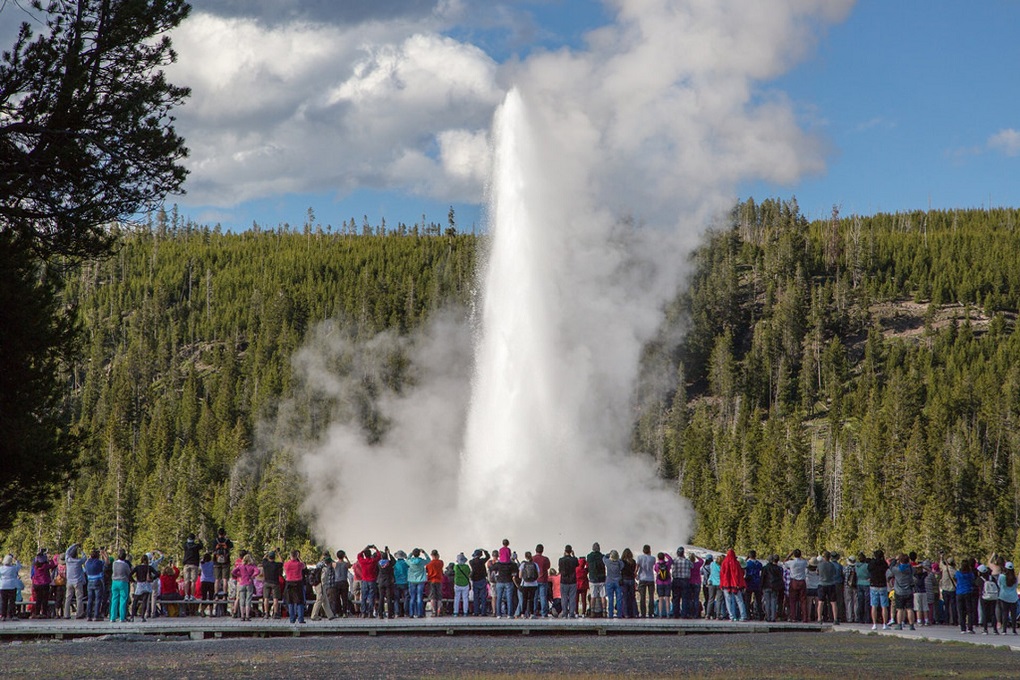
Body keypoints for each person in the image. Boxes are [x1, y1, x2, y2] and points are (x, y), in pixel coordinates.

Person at [719, 549, 748, 622]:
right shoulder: (736, 563)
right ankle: (743, 616)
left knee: (728, 601)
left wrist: (722, 584)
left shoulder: (724, 562)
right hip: (736, 585)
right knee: (740, 601)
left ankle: (732, 616)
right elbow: (739, 575)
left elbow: (722, 574)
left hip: (726, 585)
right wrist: (741, 584)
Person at [130, 554, 159, 622]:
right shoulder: (149, 567)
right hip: (147, 584)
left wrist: (134, 581)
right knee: (145, 601)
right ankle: (142, 617)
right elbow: (157, 574)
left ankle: (132, 617)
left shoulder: (138, 567)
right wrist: (152, 578)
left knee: (135, 601)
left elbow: (130, 574)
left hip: (139, 584)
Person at [30, 548, 57, 618]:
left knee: (38, 599)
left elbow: (35, 561)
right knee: (45, 599)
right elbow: (53, 565)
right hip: (45, 583)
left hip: (36, 584)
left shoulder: (35, 566)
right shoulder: (45, 566)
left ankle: (37, 612)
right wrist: (50, 559)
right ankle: (44, 613)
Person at [231, 554, 258, 621]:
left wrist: (239, 575)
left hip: (241, 583)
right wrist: (252, 576)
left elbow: (233, 571)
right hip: (249, 583)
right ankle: (247, 616)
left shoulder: (240, 566)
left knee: (242, 600)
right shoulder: (252, 566)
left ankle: (242, 616)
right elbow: (258, 571)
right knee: (248, 600)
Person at [892, 553, 915, 631]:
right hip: (908, 591)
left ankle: (899, 624)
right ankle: (911, 625)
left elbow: (891, 567)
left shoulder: (896, 570)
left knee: (900, 609)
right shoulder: (910, 569)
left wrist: (895, 560)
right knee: (909, 609)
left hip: (899, 591)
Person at [357, 545, 382, 618]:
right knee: (371, 597)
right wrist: (376, 548)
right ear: (370, 554)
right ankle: (370, 613)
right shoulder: (373, 561)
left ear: (364, 555)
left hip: (364, 580)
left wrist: (365, 548)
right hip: (372, 580)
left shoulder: (362, 561)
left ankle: (363, 613)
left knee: (364, 597)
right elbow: (379, 556)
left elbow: (359, 555)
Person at [784, 549, 808, 623]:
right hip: (802, 581)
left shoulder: (791, 562)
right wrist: (802, 557)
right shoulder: (803, 562)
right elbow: (808, 562)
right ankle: (804, 618)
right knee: (803, 601)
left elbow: (784, 562)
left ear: (793, 555)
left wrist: (789, 555)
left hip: (794, 581)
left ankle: (793, 617)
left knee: (792, 601)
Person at [816, 551, 840, 624]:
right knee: (833, 602)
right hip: (831, 584)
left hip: (822, 584)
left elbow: (817, 573)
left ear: (823, 557)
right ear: (830, 557)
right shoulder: (832, 565)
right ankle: (835, 619)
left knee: (821, 602)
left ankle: (819, 618)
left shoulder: (819, 565)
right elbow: (834, 574)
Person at [64, 545, 87, 620]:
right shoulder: (79, 561)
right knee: (79, 598)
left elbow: (67, 551)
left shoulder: (67, 560)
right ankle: (79, 614)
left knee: (68, 598)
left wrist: (73, 545)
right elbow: (85, 558)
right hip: (77, 581)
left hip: (69, 581)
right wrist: (81, 550)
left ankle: (66, 614)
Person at [283, 550, 306, 624]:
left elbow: (284, 568)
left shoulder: (286, 564)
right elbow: (304, 566)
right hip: (298, 583)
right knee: (300, 602)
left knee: (291, 601)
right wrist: (299, 558)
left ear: (290, 556)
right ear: (296, 556)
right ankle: (300, 619)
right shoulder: (299, 564)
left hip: (289, 583)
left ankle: (292, 619)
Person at [108, 549, 131, 622]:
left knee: (114, 599)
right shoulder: (125, 565)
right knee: (123, 600)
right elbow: (128, 573)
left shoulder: (114, 563)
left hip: (114, 582)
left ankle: (112, 617)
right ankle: (122, 617)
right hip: (123, 582)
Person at [84, 549, 106, 621]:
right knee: (98, 599)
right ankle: (96, 615)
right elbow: (107, 562)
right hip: (97, 580)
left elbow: (85, 565)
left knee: (90, 599)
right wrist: (104, 554)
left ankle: (88, 615)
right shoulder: (99, 562)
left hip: (89, 581)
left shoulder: (87, 563)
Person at [955, 557, 976, 633]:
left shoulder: (958, 573)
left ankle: (962, 628)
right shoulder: (970, 574)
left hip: (959, 592)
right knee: (969, 611)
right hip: (968, 592)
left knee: (960, 611)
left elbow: (955, 579)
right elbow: (973, 580)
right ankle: (970, 627)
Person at [492, 553, 516, 618]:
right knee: (509, 598)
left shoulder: (498, 564)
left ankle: (498, 614)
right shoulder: (511, 564)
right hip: (508, 581)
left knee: (499, 598)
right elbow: (516, 569)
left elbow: (492, 567)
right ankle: (510, 614)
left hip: (500, 582)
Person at [406, 548, 428, 618]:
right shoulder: (422, 561)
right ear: (419, 554)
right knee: (419, 597)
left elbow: (407, 559)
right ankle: (419, 614)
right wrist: (424, 553)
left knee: (412, 597)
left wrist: (411, 553)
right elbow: (429, 560)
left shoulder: (410, 561)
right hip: (421, 580)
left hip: (412, 580)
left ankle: (411, 614)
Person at [635, 545, 656, 618]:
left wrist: (635, 575)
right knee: (651, 597)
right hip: (650, 578)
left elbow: (637, 568)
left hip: (642, 578)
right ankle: (651, 613)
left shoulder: (639, 557)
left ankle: (643, 613)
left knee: (642, 597)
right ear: (650, 550)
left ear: (643, 550)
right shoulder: (653, 558)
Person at [558, 545, 579, 619]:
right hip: (572, 581)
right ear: (571, 551)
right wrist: (574, 555)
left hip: (563, 581)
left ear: (565, 551)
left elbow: (560, 569)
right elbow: (577, 564)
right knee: (572, 598)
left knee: (564, 598)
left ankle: (564, 613)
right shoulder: (574, 559)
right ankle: (571, 613)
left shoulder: (561, 560)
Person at [997, 561, 1018, 635]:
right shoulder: (1015, 578)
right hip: (1013, 597)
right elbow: (1015, 586)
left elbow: (999, 584)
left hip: (1003, 596)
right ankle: (1014, 630)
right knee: (1013, 614)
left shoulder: (1002, 576)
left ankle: (1004, 630)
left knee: (1004, 613)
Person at [211, 529, 233, 597]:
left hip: (216, 562)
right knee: (225, 579)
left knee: (217, 579)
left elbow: (213, 549)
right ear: (224, 533)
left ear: (218, 533)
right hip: (226, 562)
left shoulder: (215, 541)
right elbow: (231, 547)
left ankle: (216, 594)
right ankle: (225, 594)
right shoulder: (227, 541)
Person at [761, 554, 783, 622]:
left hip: (766, 586)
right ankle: (773, 617)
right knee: (774, 602)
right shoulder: (778, 568)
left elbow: (762, 578)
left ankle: (768, 617)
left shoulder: (765, 568)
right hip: (775, 587)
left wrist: (761, 586)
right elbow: (780, 578)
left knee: (767, 602)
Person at [587, 543, 607, 617]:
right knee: (603, 596)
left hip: (593, 579)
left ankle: (592, 612)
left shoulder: (589, 556)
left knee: (593, 596)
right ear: (599, 548)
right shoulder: (602, 557)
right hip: (601, 579)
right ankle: (604, 612)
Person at [261, 551, 282, 620]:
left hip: (267, 582)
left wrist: (266, 554)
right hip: (275, 583)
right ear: (274, 557)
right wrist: (278, 554)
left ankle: (266, 613)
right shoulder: (276, 565)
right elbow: (282, 562)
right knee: (275, 599)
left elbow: (263, 559)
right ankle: (275, 613)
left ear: (269, 557)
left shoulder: (265, 564)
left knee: (266, 598)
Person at [978, 564, 999, 634]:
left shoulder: (980, 579)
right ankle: (995, 630)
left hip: (984, 597)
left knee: (985, 613)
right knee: (993, 613)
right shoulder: (992, 578)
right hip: (993, 597)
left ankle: (985, 629)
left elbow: (975, 584)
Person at [518, 552, 540, 619]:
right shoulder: (535, 564)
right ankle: (532, 614)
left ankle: (523, 614)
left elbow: (520, 576)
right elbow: (538, 575)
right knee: (532, 599)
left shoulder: (523, 564)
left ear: (525, 557)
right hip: (534, 584)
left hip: (525, 584)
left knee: (524, 599)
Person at [182, 534, 203, 601]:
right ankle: (192, 595)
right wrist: (199, 539)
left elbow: (183, 544)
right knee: (193, 581)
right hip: (194, 564)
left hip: (186, 564)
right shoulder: (196, 546)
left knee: (186, 581)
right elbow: (201, 545)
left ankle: (186, 595)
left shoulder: (186, 546)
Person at [1, 554, 22, 621]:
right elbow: (19, 566)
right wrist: (16, 560)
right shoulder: (13, 568)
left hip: (3, 586)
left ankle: (3, 615)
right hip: (12, 586)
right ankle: (13, 615)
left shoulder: (1, 568)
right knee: (12, 601)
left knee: (3, 601)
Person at [469, 549, 490, 617]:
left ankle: (476, 612)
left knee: (476, 597)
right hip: (482, 580)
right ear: (480, 555)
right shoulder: (482, 561)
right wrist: (485, 551)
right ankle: (483, 612)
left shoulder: (471, 562)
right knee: (483, 597)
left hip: (475, 580)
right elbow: (488, 557)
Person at [376, 550, 396, 619]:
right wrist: (389, 553)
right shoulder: (389, 563)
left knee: (381, 598)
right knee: (389, 598)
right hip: (388, 581)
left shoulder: (379, 563)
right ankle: (390, 614)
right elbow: (394, 561)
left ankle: (380, 614)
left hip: (381, 581)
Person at [743, 550, 763, 621]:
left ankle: (748, 615)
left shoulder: (747, 563)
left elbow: (743, 568)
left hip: (749, 582)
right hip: (757, 582)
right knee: (758, 600)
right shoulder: (759, 564)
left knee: (747, 600)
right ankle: (760, 614)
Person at [603, 550, 623, 619]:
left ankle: (610, 614)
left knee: (610, 599)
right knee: (619, 599)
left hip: (609, 581)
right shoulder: (619, 563)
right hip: (618, 582)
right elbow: (622, 565)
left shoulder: (608, 562)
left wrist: (608, 554)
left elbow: (604, 557)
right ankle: (619, 614)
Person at [533, 544, 551, 618]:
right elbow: (548, 567)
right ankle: (544, 613)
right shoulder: (545, 559)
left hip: (534, 580)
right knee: (543, 597)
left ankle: (534, 612)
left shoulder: (532, 558)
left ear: (535, 550)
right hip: (543, 580)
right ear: (542, 550)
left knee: (534, 597)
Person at [620, 548, 638, 619]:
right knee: (632, 597)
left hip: (625, 580)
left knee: (625, 598)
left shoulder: (622, 562)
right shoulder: (633, 561)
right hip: (631, 580)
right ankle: (634, 613)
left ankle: (626, 613)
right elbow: (634, 571)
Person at [335, 550, 353, 617]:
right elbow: (350, 565)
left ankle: (338, 612)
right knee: (344, 598)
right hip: (344, 582)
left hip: (336, 582)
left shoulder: (335, 564)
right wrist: (347, 558)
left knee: (337, 598)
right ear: (343, 556)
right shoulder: (345, 564)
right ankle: (344, 612)